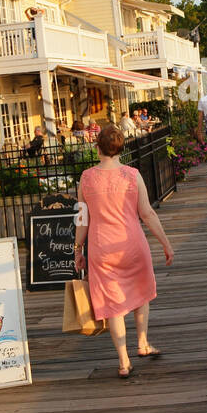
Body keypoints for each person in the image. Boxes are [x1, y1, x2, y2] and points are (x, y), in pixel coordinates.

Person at [74, 124, 174, 378]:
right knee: (141, 294)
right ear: (120, 147)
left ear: (98, 147)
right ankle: (142, 343)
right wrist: (165, 242)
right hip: (132, 245)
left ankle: (123, 361)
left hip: (101, 248)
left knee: (113, 306)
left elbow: (82, 218)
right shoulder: (132, 175)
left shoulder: (87, 178)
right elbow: (147, 213)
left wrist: (77, 249)